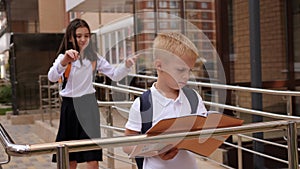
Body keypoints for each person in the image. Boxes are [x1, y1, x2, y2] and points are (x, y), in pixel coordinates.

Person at [48, 18, 135, 169]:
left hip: (88, 105)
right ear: (70, 37)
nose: (83, 39)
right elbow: (52, 77)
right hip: (70, 107)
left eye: (86, 36)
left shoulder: (94, 57)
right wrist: (64, 62)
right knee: (69, 154)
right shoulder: (64, 57)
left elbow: (114, 75)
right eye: (79, 36)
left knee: (92, 154)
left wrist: (126, 66)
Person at [123, 32, 208, 169]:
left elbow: (203, 132)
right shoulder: (143, 104)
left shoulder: (193, 98)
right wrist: (155, 151)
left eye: (189, 71)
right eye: (180, 70)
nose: (186, 76)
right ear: (159, 65)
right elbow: (127, 145)